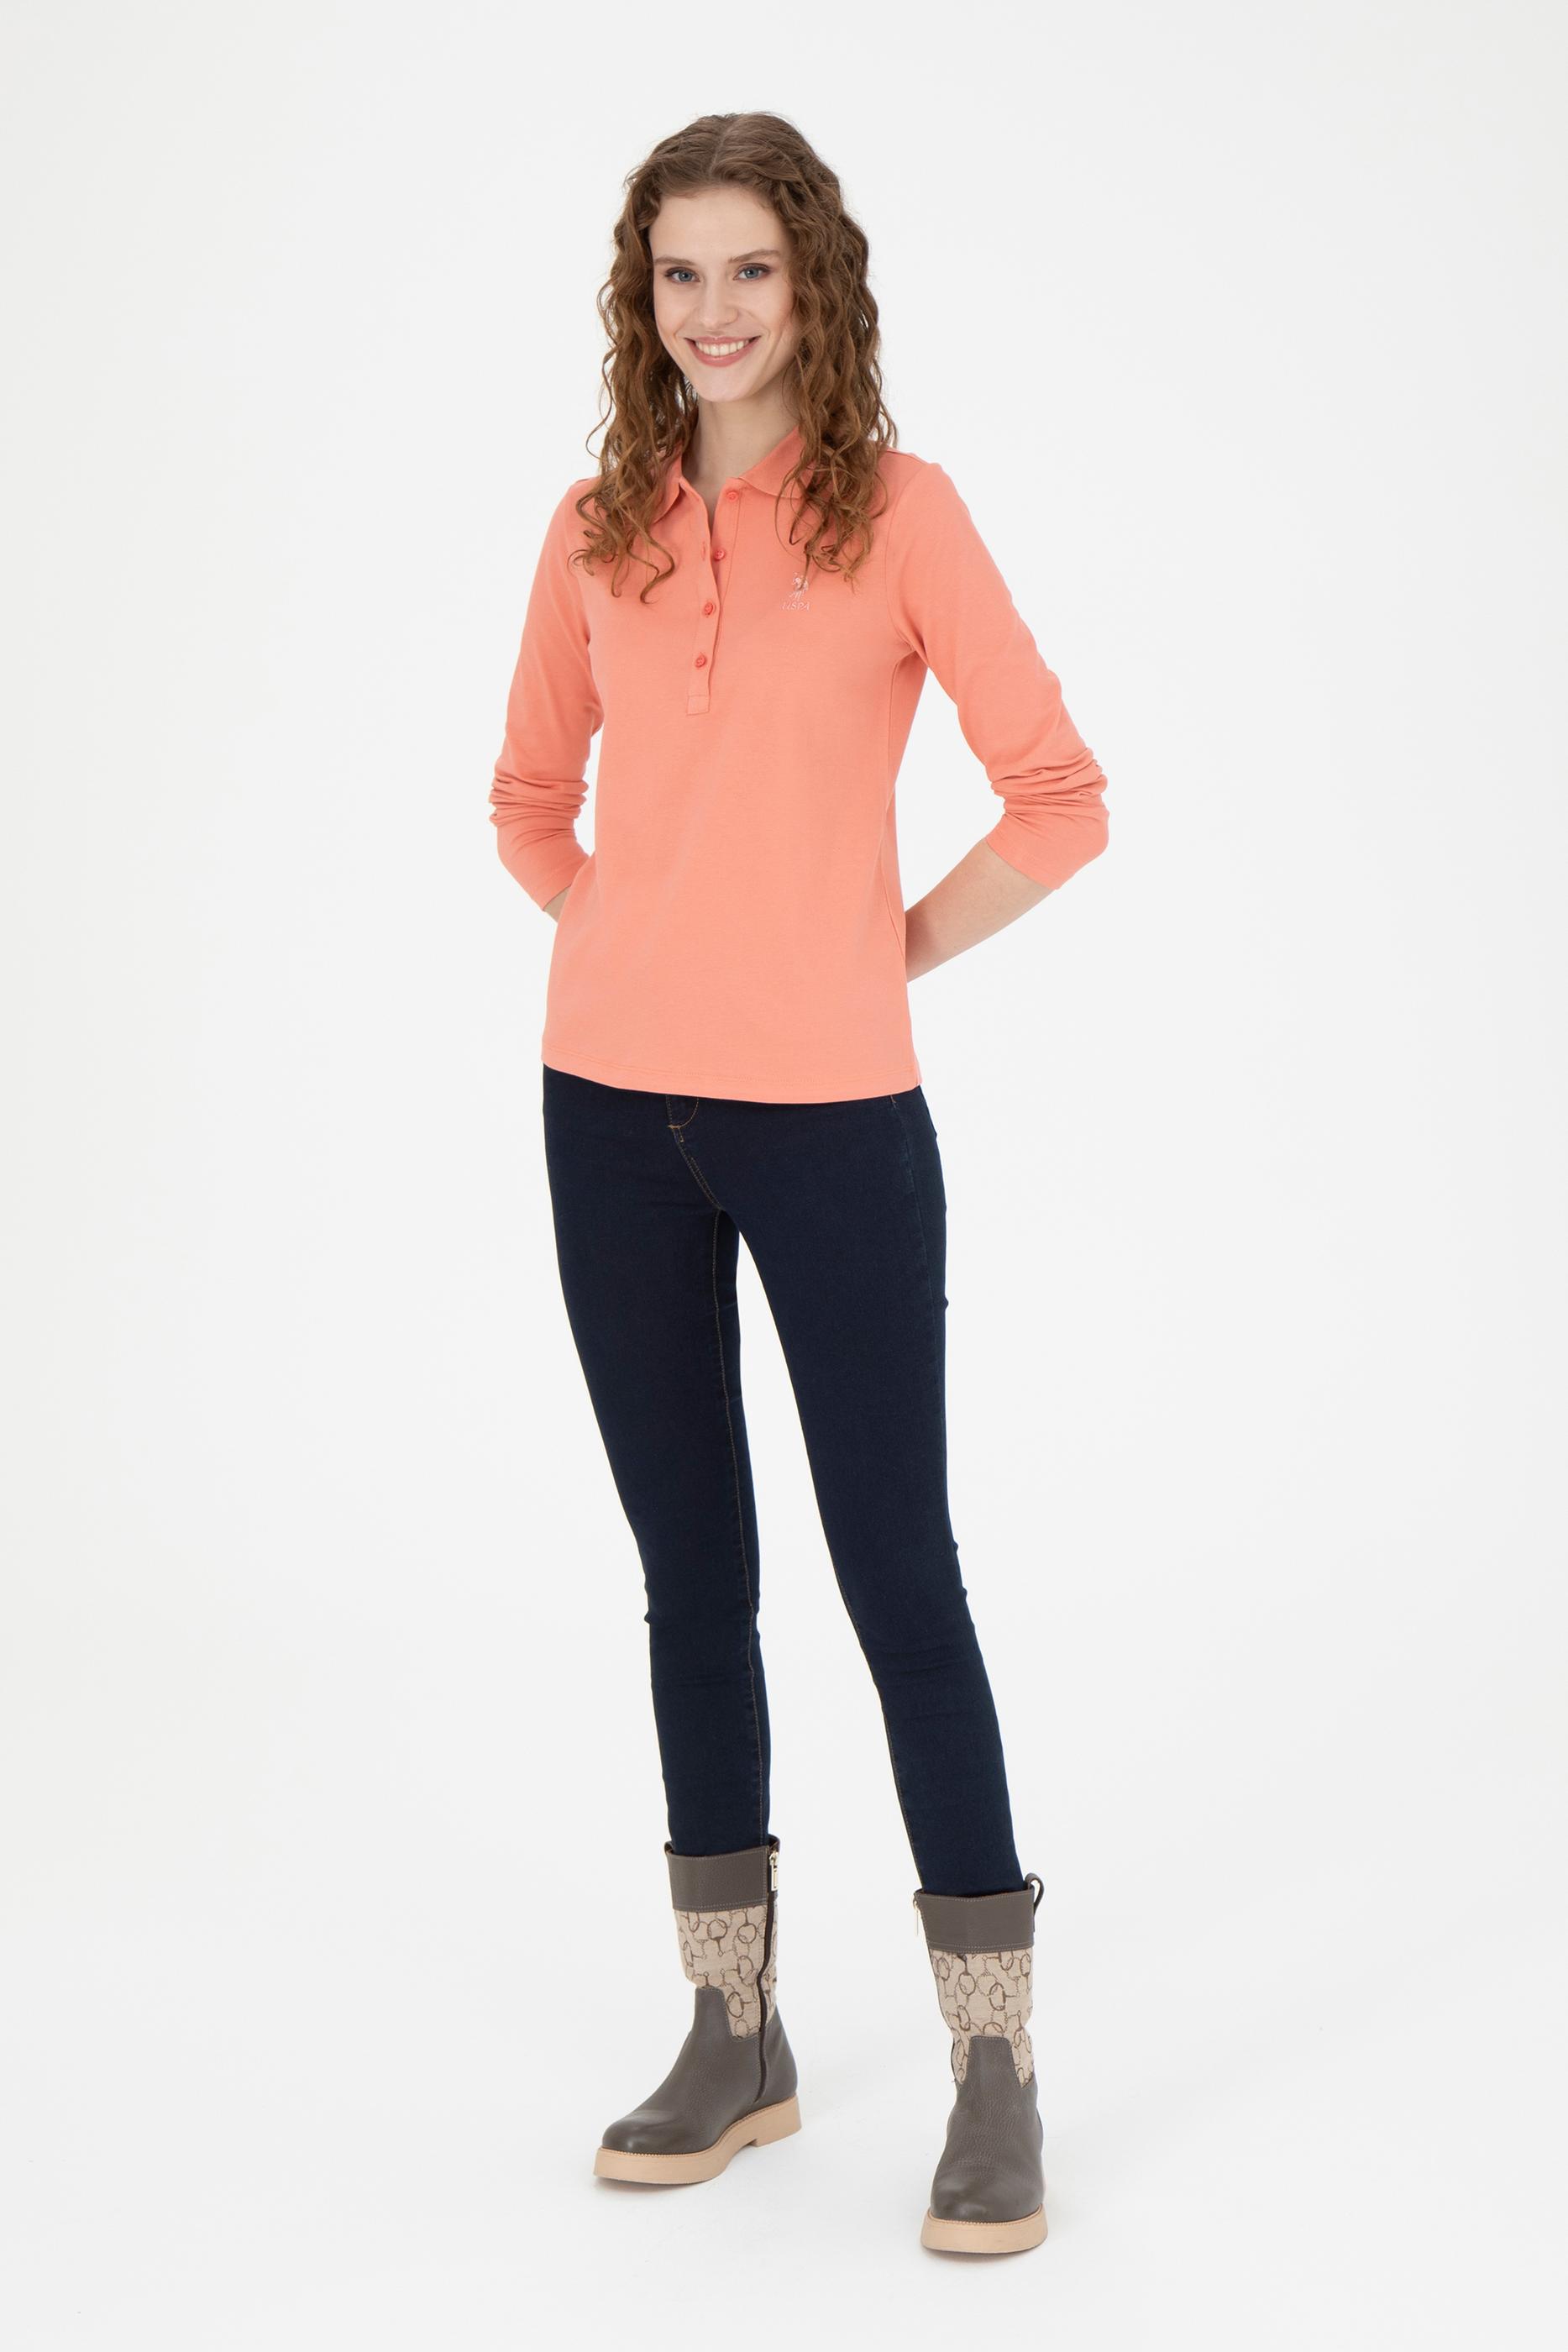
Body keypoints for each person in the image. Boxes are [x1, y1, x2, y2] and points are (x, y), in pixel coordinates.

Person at [488, 112, 1109, 2256]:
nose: (714, 309)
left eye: (749, 267)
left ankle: (993, 2062)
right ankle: (732, 2028)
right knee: (691, 1577)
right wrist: (629, 946)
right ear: (640, 301)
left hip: (834, 1120)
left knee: (896, 1573)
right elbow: (527, 799)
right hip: (607, 1115)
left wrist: (877, 950)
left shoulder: (901, 515)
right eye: (679, 273)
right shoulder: (592, 528)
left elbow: (1059, 795)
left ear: (813, 284)